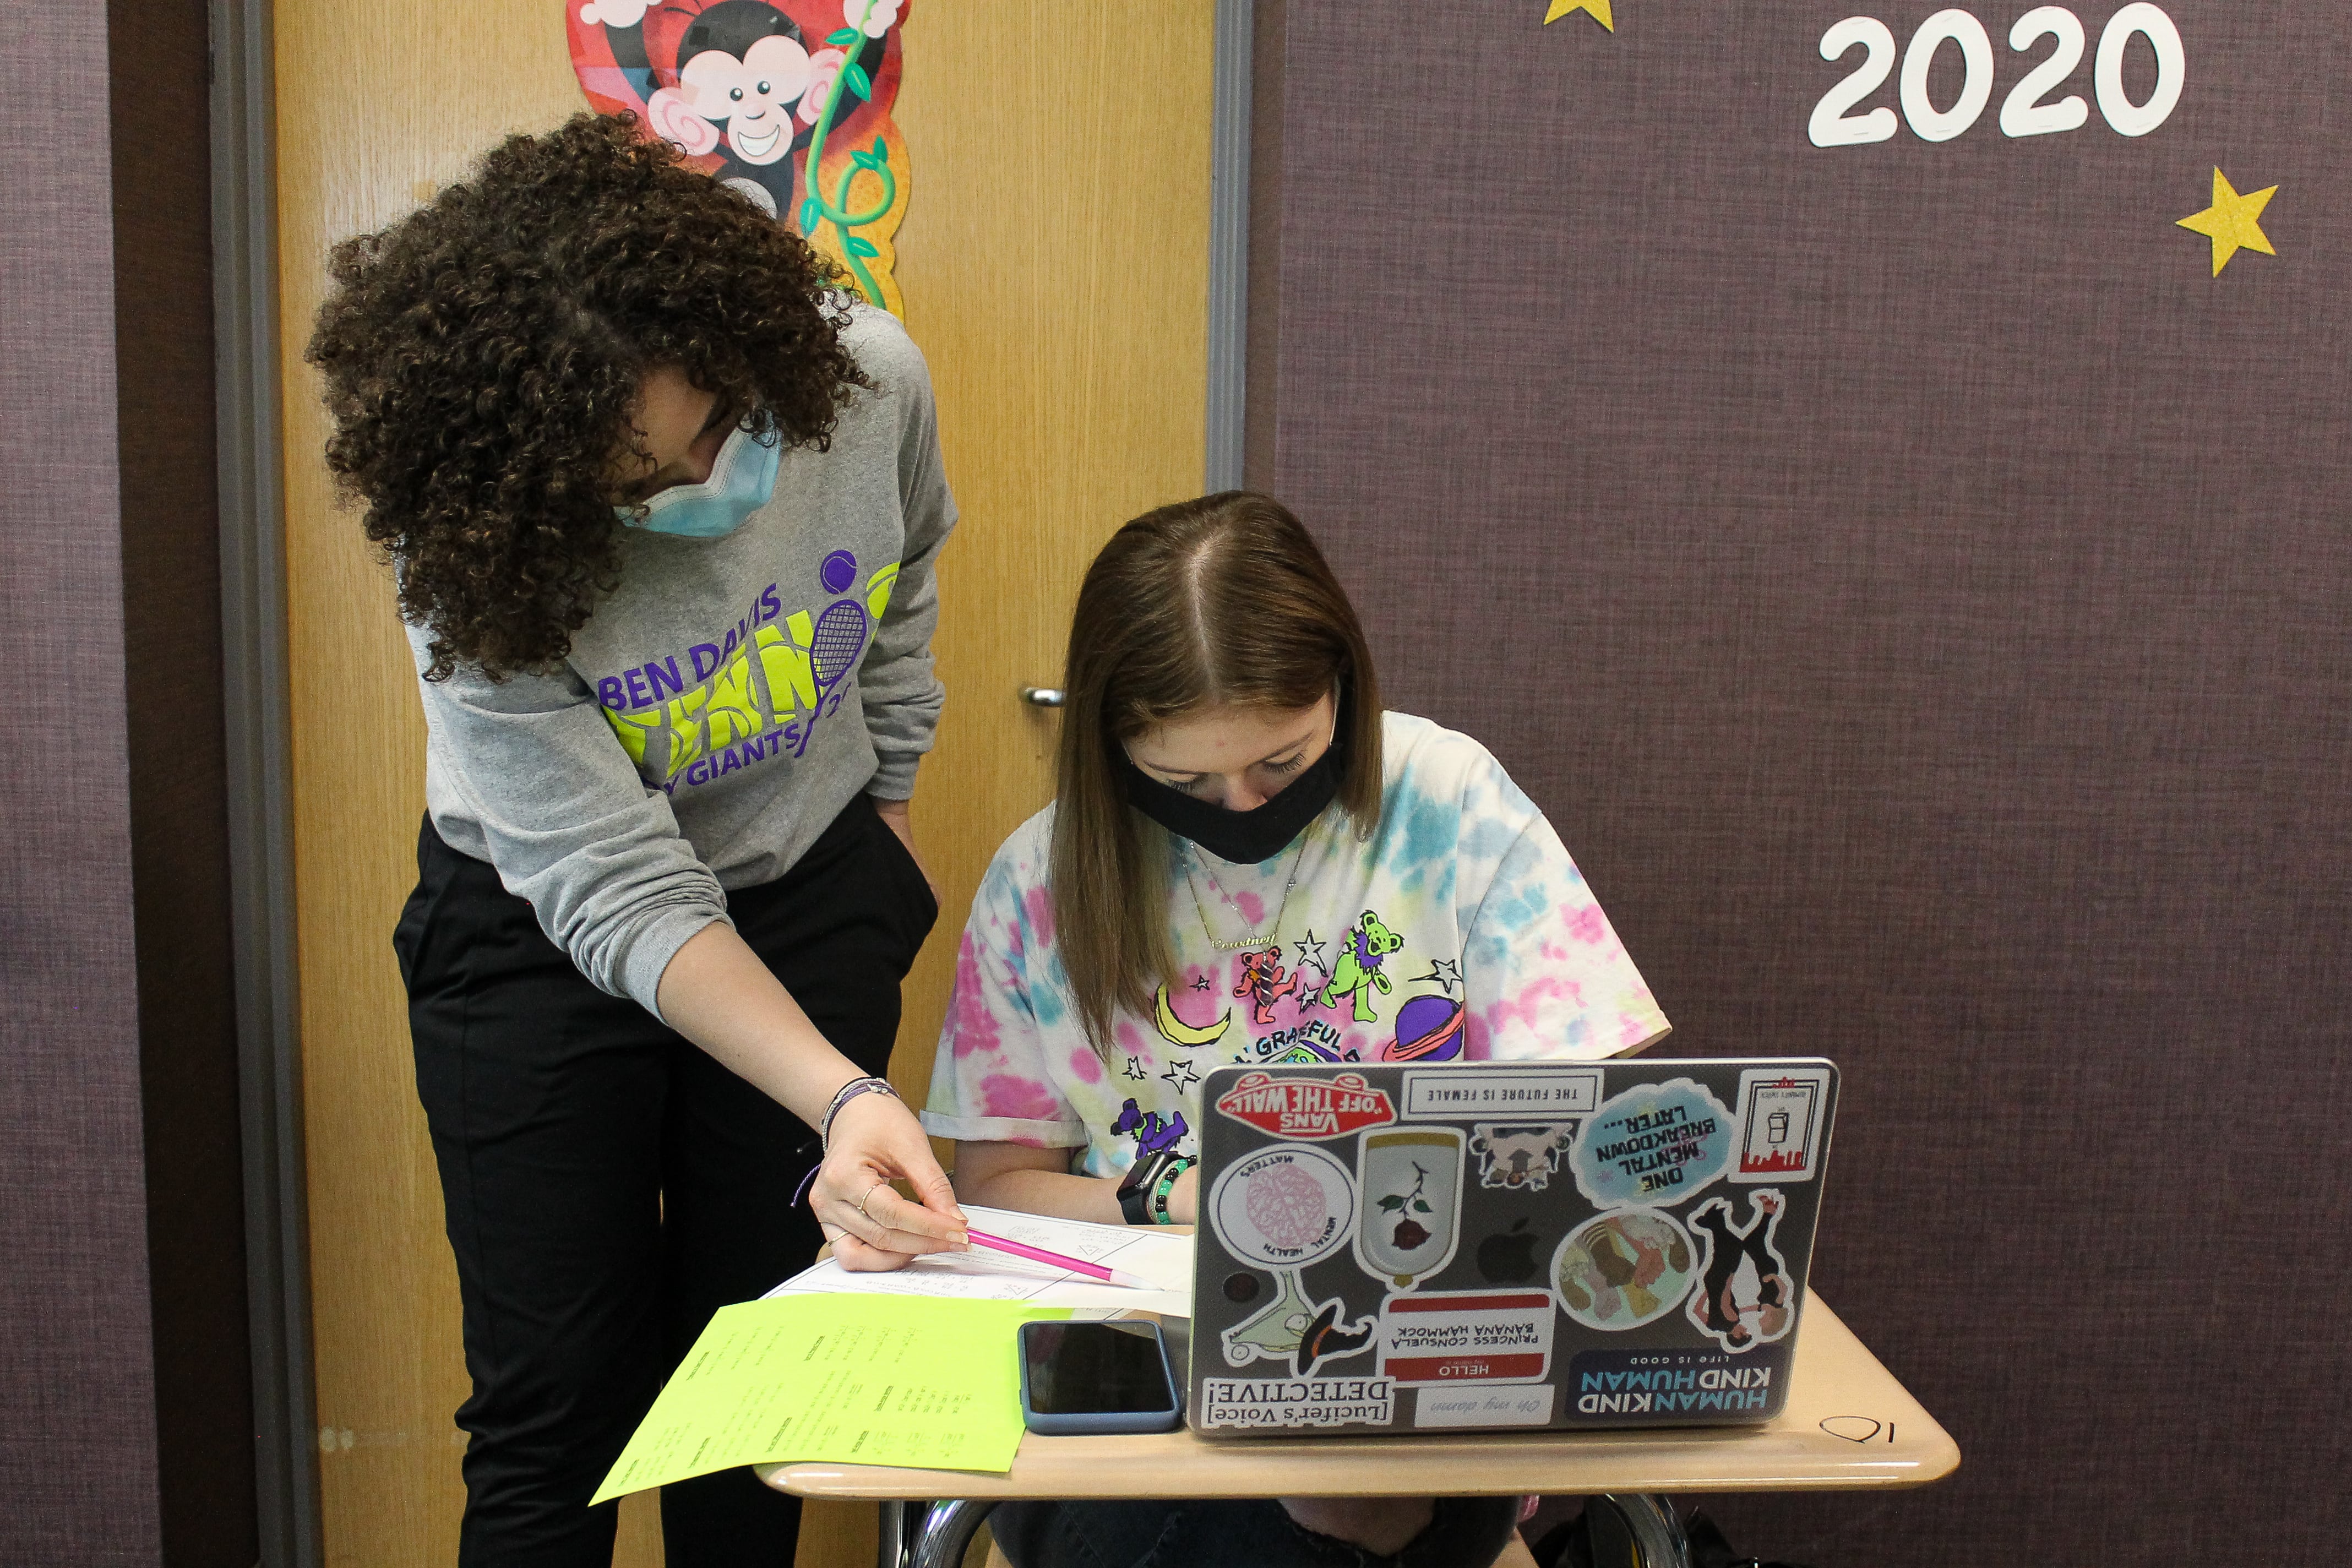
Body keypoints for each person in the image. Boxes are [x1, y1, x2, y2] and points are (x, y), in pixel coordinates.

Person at [306, 112, 968, 1567]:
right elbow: (615, 884)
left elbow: (907, 575)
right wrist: (844, 1090)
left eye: (720, 431)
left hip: (804, 890)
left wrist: (892, 818)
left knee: (754, 1390)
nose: (700, 487)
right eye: (638, 484)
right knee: (561, 1415)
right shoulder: (471, 547)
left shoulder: (872, 382)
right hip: (539, 930)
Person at [920, 492, 1672, 1567]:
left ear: (1343, 691)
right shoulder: (1042, 879)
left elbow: (1586, 1121)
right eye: (1182, 780)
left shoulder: (1449, 804)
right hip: (1139, 1372)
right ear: (1110, 744)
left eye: (1279, 762)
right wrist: (1186, 1192)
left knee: (1358, 1508)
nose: (1236, 806)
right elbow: (995, 1185)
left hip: (1408, 1362)